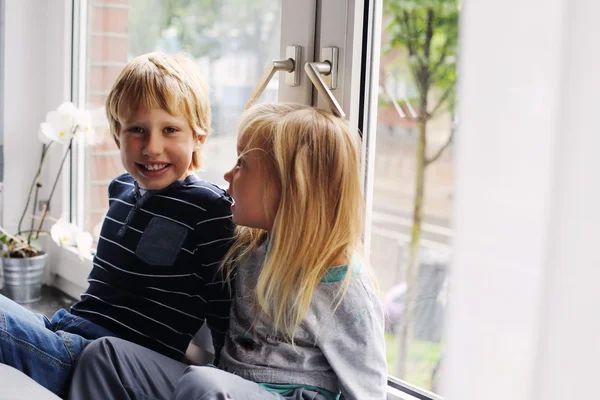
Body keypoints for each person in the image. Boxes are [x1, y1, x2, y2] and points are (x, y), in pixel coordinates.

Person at [67, 103, 388, 400]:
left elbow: (368, 390)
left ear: (289, 187)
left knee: (206, 385)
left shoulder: (342, 287)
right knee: (104, 355)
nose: (227, 175)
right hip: (227, 384)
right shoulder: (249, 250)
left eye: (242, 164)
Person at [0, 52, 234, 397]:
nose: (152, 147)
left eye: (170, 130)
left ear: (198, 136)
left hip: (107, 366)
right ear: (116, 134)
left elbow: (223, 306)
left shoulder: (208, 206)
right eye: (136, 130)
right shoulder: (121, 188)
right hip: (64, 331)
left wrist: (227, 380)